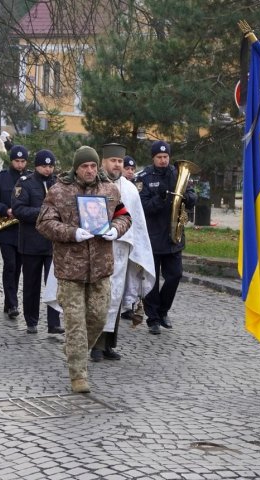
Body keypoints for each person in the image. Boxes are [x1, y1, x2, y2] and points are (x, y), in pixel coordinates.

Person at [36, 146, 132, 393]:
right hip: (71, 269)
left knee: (99, 317)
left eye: (92, 166)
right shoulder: (58, 192)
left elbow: (124, 216)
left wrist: (116, 229)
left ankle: (74, 348)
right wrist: (71, 233)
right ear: (76, 168)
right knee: (75, 322)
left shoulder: (109, 190)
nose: (89, 170)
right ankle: (78, 375)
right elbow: (44, 223)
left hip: (101, 267)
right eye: (84, 166)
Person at [90, 143, 155, 362]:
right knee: (99, 297)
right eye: (113, 161)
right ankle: (95, 345)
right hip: (97, 250)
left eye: (120, 161)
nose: (117, 165)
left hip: (121, 250)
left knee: (116, 296)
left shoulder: (129, 189)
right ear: (103, 162)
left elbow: (136, 222)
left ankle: (109, 344)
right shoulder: (93, 184)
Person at [136, 140, 197, 335]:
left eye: (165, 157)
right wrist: (159, 198)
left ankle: (163, 311)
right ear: (153, 158)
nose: (163, 160)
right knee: (151, 280)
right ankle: (152, 318)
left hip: (173, 237)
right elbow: (142, 207)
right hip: (152, 237)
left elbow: (192, 198)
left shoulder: (179, 173)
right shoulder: (144, 178)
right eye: (159, 157)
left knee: (175, 275)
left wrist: (190, 199)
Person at [10, 149, 64, 335]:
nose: (48, 170)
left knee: (54, 284)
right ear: (36, 166)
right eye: (44, 166)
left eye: (50, 166)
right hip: (31, 242)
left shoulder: (58, 184)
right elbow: (18, 209)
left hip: (53, 244)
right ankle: (31, 320)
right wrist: (43, 214)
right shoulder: (24, 183)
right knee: (31, 284)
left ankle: (54, 322)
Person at [0, 145, 29, 319]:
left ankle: (9, 301)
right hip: (7, 229)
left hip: (25, 230)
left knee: (19, 267)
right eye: (17, 161)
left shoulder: (31, 178)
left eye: (23, 161)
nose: (20, 165)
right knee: (10, 265)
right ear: (11, 161)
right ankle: (12, 304)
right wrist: (5, 210)